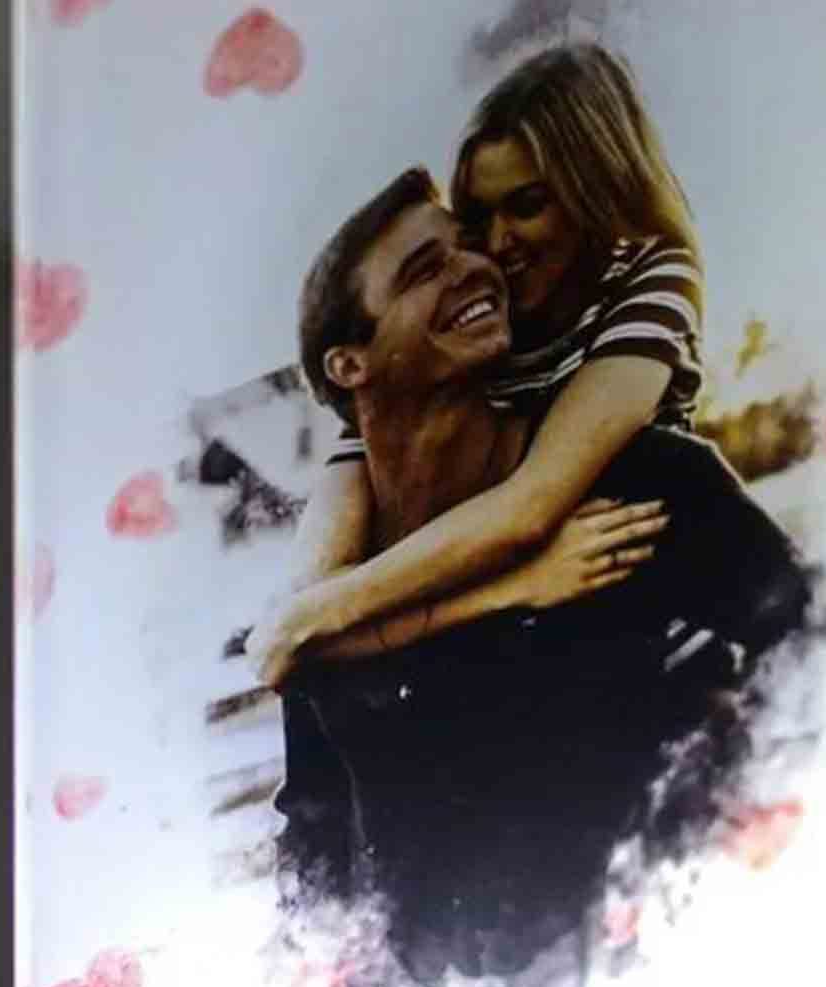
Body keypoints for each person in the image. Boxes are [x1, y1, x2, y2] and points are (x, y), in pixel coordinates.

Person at [265, 167, 812, 987]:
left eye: (465, 248)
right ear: (350, 364)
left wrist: (698, 844)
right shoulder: (337, 582)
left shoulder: (636, 484)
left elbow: (817, 645)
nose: (474, 269)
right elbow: (313, 823)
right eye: (424, 270)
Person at [247, 43, 708, 689]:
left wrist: (303, 618)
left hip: (629, 607)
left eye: (527, 205)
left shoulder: (651, 278)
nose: (495, 244)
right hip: (500, 624)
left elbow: (531, 505)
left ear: (592, 190)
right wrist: (511, 589)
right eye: (478, 218)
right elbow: (307, 622)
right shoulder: (472, 329)